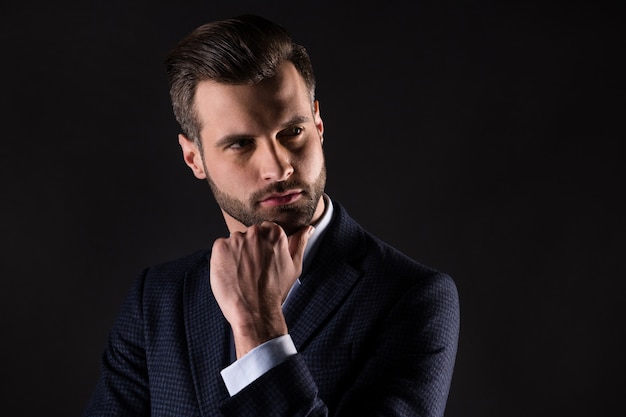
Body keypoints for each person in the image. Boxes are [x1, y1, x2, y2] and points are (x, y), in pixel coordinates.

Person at [83, 14, 460, 417]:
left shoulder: (412, 298)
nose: (279, 168)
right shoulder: (157, 300)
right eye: (242, 143)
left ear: (317, 124)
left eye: (292, 132)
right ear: (194, 157)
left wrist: (259, 329)